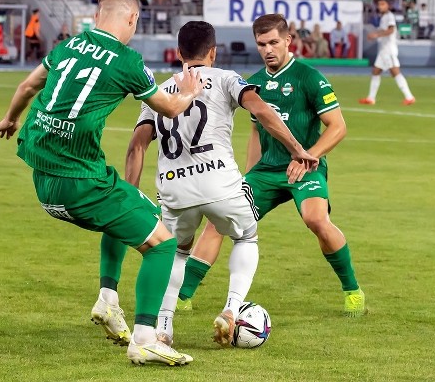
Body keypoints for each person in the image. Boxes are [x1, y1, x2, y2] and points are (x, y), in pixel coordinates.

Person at [0, 0, 207, 366]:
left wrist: (10, 118)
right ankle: (144, 338)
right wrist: (189, 89)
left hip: (44, 177)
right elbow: (170, 108)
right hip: (80, 181)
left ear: (96, 17)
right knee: (163, 244)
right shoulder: (127, 61)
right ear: (133, 18)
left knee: (125, 206)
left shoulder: (68, 46)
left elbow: (27, 85)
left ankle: (108, 300)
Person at [124, 21, 318, 348]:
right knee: (246, 237)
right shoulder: (226, 78)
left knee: (175, 252)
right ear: (213, 52)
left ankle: (164, 327)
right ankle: (231, 308)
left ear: (179, 53)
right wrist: (296, 148)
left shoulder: (158, 91)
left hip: (174, 189)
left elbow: (137, 145)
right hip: (219, 182)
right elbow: (261, 109)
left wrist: (129, 195)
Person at [175, 13, 368, 319]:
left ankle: (352, 291)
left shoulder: (309, 77)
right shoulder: (255, 83)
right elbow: (256, 130)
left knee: (316, 220)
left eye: (274, 42)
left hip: (306, 167)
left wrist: (308, 156)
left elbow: (338, 126)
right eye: (262, 44)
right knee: (219, 221)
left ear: (288, 40)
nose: (268, 49)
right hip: (266, 171)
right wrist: (249, 174)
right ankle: (183, 296)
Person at [359, 0, 415, 105]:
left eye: (382, 4)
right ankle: (371, 98)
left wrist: (376, 35)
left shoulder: (389, 16)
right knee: (376, 72)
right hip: (383, 50)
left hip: (389, 49)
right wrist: (374, 34)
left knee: (395, 72)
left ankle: (409, 97)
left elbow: (391, 30)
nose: (380, 6)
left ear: (388, 5)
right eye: (379, 4)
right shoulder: (383, 17)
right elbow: (382, 30)